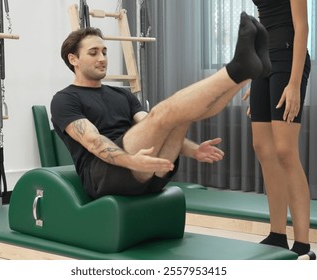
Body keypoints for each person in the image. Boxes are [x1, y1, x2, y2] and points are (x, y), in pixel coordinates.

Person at [51, 13, 269, 202]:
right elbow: (93, 141)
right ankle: (238, 69)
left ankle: (246, 74)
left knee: (180, 116)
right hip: (103, 175)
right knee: (162, 112)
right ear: (74, 59)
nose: (102, 58)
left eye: (104, 52)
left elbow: (157, 128)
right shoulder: (65, 99)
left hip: (149, 171)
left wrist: (194, 150)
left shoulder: (121, 94)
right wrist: (132, 161)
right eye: (93, 52)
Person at [242, 0, 312, 256]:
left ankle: (302, 244)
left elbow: (302, 27)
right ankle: (277, 235)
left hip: (288, 57)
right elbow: (264, 21)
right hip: (265, 61)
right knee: (262, 147)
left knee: (284, 150)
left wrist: (294, 83)